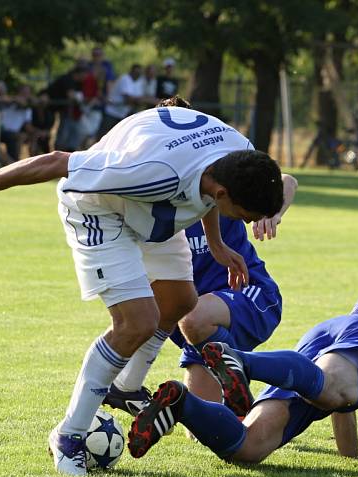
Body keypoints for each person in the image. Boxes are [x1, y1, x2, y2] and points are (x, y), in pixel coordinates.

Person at [0, 104, 285, 476]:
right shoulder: (150, 174)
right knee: (135, 323)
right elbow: (57, 162)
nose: (247, 224)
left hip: (156, 207)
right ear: (222, 192)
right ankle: (68, 436)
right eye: (245, 216)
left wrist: (216, 244)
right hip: (97, 208)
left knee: (181, 300)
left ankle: (124, 387)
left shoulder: (239, 154)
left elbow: (208, 188)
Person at [128, 280, 358, 467]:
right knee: (338, 387)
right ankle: (242, 361)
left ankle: (183, 403)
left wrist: (351, 460)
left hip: (328, 333)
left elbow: (340, 396)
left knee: (249, 447)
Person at [101, 96, 298, 424]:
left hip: (246, 296)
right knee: (213, 427)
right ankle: (190, 404)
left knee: (193, 316)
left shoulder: (227, 175)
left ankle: (244, 373)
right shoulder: (154, 188)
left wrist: (273, 213)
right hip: (193, 329)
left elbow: (287, 180)